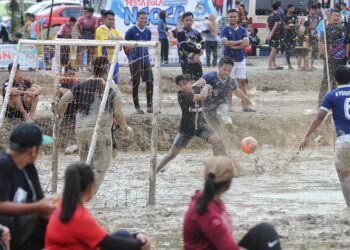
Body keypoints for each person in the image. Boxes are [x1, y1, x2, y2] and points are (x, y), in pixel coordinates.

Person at [57, 57, 132, 191]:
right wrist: (126, 128)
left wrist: (60, 116)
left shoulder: (82, 85)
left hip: (80, 130)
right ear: (108, 69)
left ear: (92, 68)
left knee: (86, 167)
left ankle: (76, 194)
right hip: (100, 130)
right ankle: (84, 197)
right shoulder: (111, 87)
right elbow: (118, 113)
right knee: (99, 169)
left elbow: (63, 100)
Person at [183, 156, 281, 250]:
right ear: (228, 183)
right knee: (267, 232)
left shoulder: (208, 199)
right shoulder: (208, 214)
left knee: (264, 230)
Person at [45, 163, 151, 250]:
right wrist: (140, 245)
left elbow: (102, 238)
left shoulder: (62, 206)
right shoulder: (78, 216)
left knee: (123, 234)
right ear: (91, 188)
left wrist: (136, 235)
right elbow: (108, 242)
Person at [300, 65, 350, 208]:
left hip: (344, 140)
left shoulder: (331, 95)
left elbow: (319, 117)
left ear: (335, 80)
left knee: (344, 176)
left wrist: (306, 136)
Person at [0, 123, 55, 250]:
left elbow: (40, 201)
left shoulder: (28, 168)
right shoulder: (3, 165)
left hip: (22, 227)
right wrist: (37, 208)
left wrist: (50, 209)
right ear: (33, 151)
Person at [156, 75, 227, 173]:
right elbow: (201, 97)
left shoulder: (198, 89)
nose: (183, 87)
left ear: (190, 83)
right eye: (181, 85)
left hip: (201, 126)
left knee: (219, 142)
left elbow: (211, 92)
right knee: (172, 154)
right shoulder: (182, 95)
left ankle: (226, 168)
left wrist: (209, 88)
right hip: (186, 129)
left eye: (185, 84)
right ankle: (155, 170)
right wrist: (207, 87)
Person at [193, 57, 252, 133]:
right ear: (219, 67)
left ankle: (230, 128)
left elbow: (236, 91)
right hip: (207, 108)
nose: (227, 72)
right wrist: (202, 88)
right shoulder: (209, 77)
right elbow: (195, 86)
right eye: (224, 69)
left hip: (221, 105)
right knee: (214, 127)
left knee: (223, 113)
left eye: (229, 70)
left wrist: (245, 98)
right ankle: (222, 134)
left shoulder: (230, 80)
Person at [221, 9, 254, 112]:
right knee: (229, 84)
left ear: (237, 17)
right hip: (228, 61)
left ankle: (245, 106)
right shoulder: (224, 29)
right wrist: (239, 42)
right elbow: (225, 43)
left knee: (242, 83)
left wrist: (234, 45)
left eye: (234, 16)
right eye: (231, 16)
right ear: (228, 18)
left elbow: (246, 43)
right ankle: (229, 107)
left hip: (240, 59)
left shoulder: (242, 29)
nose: (233, 18)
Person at [318, 8, 349, 105]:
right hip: (330, 60)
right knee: (326, 81)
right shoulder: (326, 28)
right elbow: (321, 42)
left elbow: (347, 43)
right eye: (335, 16)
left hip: (342, 60)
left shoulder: (344, 28)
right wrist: (325, 54)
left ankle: (337, 103)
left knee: (341, 82)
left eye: (338, 16)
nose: (337, 18)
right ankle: (322, 104)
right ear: (330, 17)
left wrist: (347, 54)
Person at [125, 11, 154, 114]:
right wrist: (130, 58)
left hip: (146, 60)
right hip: (135, 61)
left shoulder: (148, 32)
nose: (144, 20)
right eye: (142, 18)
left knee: (150, 82)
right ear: (137, 19)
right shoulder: (131, 31)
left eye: (145, 18)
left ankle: (150, 106)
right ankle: (137, 107)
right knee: (136, 83)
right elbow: (125, 45)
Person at [176, 11, 205, 81]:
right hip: (185, 62)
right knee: (187, 82)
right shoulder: (180, 33)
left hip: (196, 62)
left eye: (190, 20)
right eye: (186, 20)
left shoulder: (196, 32)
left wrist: (198, 54)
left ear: (193, 21)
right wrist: (198, 51)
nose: (188, 22)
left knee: (199, 81)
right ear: (183, 21)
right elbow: (185, 46)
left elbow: (203, 43)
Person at [96, 10, 122, 84]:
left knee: (115, 82)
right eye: (109, 19)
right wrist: (116, 42)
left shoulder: (114, 31)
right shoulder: (100, 30)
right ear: (104, 19)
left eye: (113, 19)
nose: (112, 21)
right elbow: (107, 44)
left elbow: (120, 45)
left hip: (115, 60)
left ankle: (112, 95)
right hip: (104, 61)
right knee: (105, 82)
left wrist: (113, 41)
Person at [304, 5, 321, 69]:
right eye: (312, 10)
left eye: (315, 10)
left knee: (314, 50)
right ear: (310, 10)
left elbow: (320, 27)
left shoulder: (318, 18)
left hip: (316, 36)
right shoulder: (306, 17)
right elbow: (304, 27)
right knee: (307, 50)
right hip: (307, 35)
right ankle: (306, 65)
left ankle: (311, 65)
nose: (314, 11)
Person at [267, 3, 283, 70]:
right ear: (278, 8)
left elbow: (267, 25)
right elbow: (275, 25)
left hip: (271, 34)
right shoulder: (277, 16)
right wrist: (272, 33)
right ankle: (269, 65)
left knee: (274, 50)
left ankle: (274, 64)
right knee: (273, 50)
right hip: (275, 35)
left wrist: (269, 33)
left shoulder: (270, 15)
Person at [284, 4, 299, 69]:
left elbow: (297, 24)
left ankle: (299, 65)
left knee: (297, 49)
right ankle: (289, 65)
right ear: (288, 9)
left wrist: (296, 26)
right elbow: (283, 26)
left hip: (294, 35)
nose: (293, 10)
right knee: (287, 50)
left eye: (293, 8)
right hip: (287, 36)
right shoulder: (284, 17)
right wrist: (287, 27)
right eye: (292, 8)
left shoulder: (294, 16)